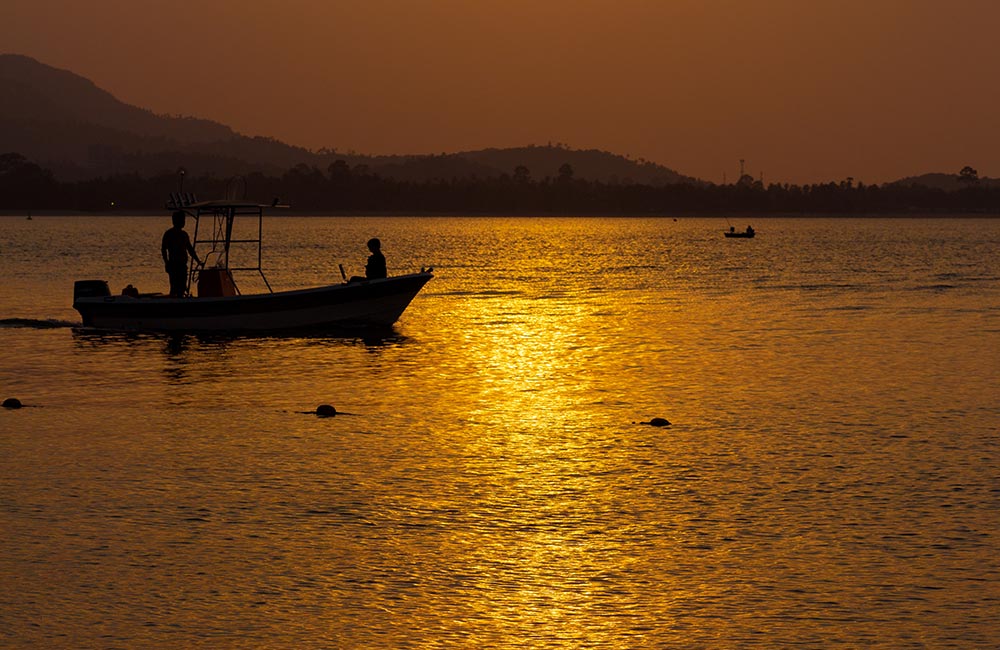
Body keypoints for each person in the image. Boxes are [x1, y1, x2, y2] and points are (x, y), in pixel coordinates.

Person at [161, 210, 201, 297]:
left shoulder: (184, 235)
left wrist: (198, 261)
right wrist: (166, 263)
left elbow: (190, 250)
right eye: (182, 220)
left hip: (182, 265)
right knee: (174, 288)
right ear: (175, 221)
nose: (183, 222)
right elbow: (163, 250)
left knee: (182, 288)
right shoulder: (169, 234)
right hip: (173, 265)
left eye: (184, 220)